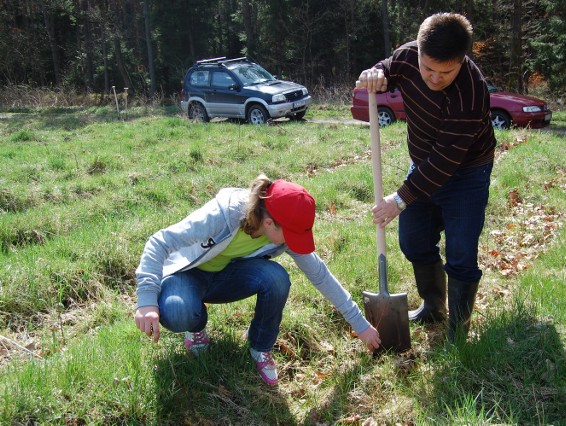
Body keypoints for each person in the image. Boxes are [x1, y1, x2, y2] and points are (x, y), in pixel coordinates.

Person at [134, 175, 381, 385]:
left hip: (229, 277)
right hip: (188, 274)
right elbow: (160, 242)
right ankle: (196, 328)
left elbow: (319, 274)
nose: (292, 243)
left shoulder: (280, 232)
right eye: (291, 235)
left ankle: (259, 346)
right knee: (178, 312)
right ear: (268, 222)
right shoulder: (223, 215)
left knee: (277, 278)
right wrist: (146, 301)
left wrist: (359, 324)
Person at [357, 12, 496, 343]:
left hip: (466, 172)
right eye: (428, 68)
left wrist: (400, 199)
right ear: (418, 51)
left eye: (445, 72)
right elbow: (388, 69)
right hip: (423, 164)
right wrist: (376, 73)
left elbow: (446, 161)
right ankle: (434, 306)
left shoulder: (470, 93)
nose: (434, 78)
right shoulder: (408, 56)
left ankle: (457, 329)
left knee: (461, 252)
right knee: (414, 241)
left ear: (462, 60)